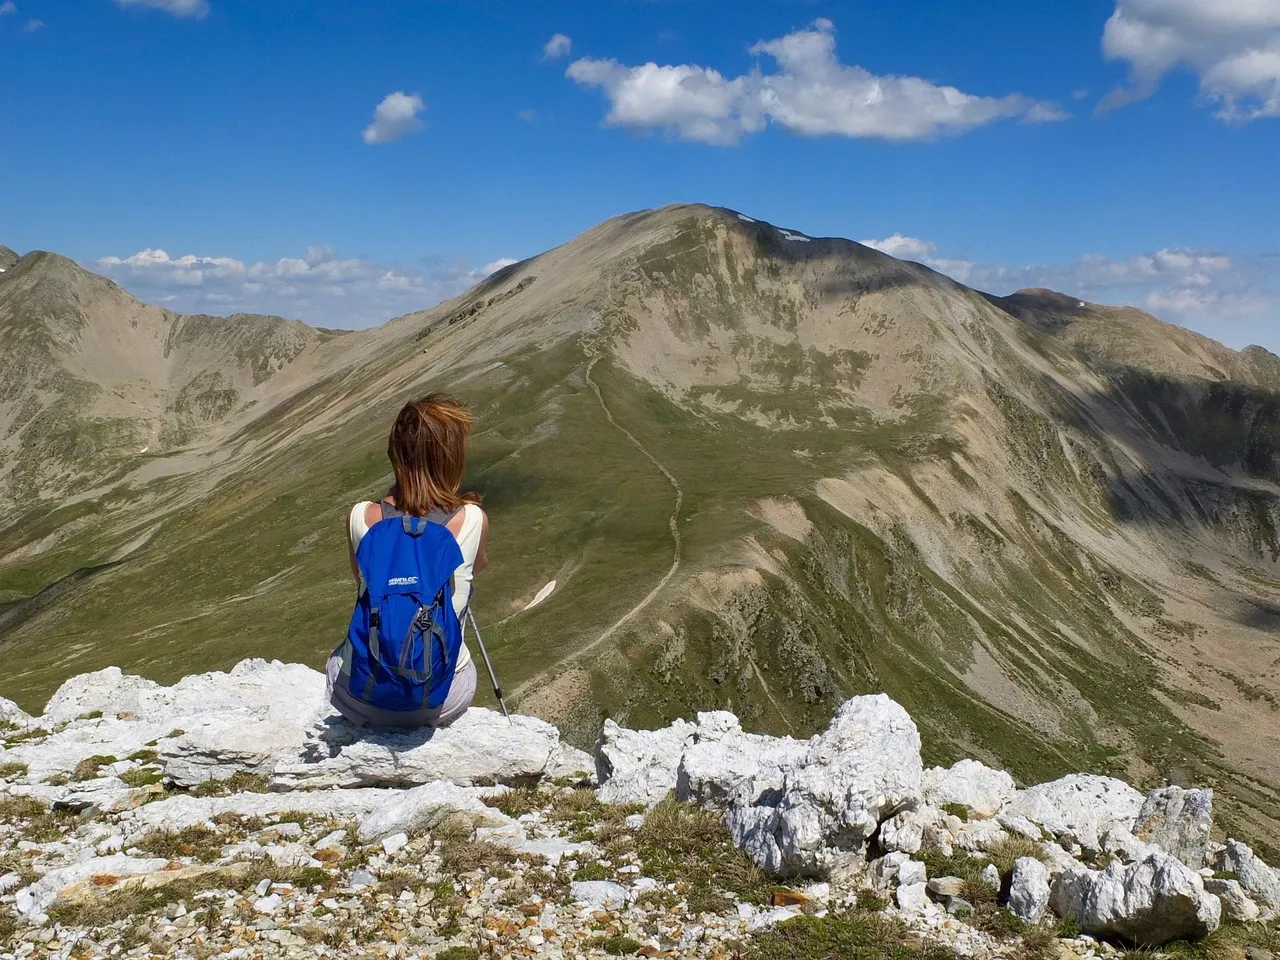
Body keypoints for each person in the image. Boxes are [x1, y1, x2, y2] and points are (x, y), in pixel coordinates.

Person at [326, 393, 489, 727]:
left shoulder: (361, 517)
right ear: (452, 458)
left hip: (361, 698)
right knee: (463, 666)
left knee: (338, 657)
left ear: (395, 453)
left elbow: (364, 581)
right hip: (438, 698)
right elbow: (479, 566)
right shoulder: (473, 519)